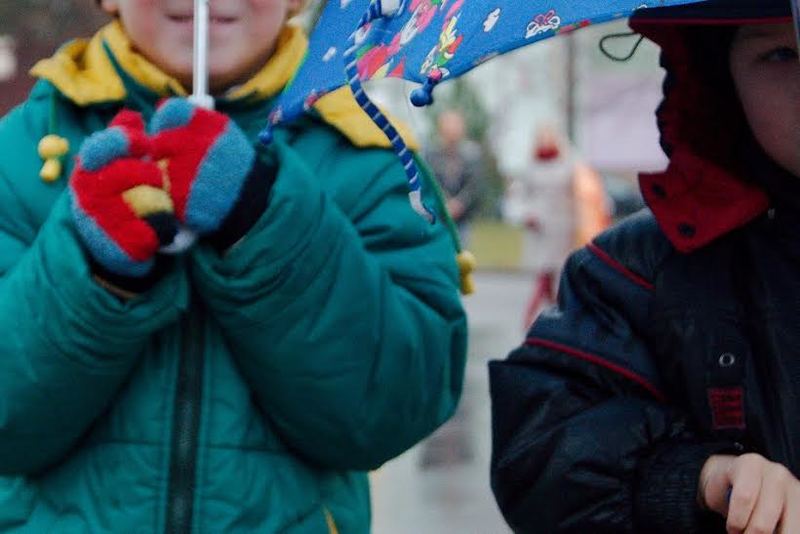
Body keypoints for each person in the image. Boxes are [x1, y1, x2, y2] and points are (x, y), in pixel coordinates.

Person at [0, 0, 468, 531]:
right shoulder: (24, 151)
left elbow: (394, 410)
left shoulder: (369, 158)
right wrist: (92, 276)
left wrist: (261, 220)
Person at [490, 1, 800, 532]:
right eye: (781, 55)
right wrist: (698, 479)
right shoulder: (635, 275)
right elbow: (541, 453)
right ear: (716, 73)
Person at [503, 125, 610, 328]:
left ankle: (547, 316)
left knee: (558, 272)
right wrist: (525, 214)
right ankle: (545, 316)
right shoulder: (531, 167)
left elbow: (584, 191)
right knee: (544, 272)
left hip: (564, 226)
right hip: (541, 227)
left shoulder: (569, 164)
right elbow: (519, 195)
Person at [425, 109, 485, 247]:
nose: (452, 130)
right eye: (448, 126)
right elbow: (428, 182)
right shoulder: (431, 155)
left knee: (461, 253)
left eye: (456, 125)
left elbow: (474, 185)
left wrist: (460, 204)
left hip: (462, 221)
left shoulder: (472, 155)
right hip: (437, 218)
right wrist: (444, 202)